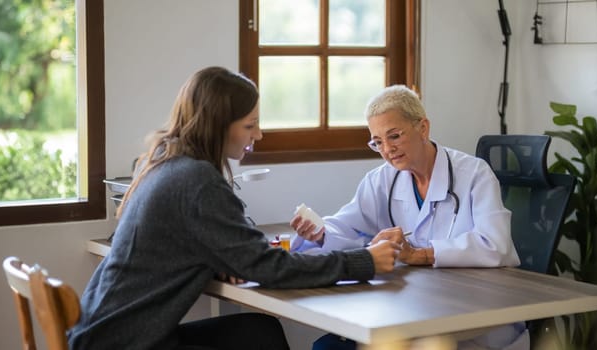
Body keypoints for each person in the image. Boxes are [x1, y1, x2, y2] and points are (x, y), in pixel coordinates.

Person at [67, 67, 401, 350]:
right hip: (125, 343)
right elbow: (270, 268)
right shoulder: (197, 180)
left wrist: (218, 261)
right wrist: (364, 261)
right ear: (218, 124)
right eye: (249, 124)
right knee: (261, 338)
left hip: (104, 333)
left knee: (258, 333)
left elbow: (182, 245)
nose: (259, 133)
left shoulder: (163, 162)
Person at [290, 85, 528, 350]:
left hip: (474, 319)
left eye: (394, 136)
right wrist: (321, 231)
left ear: (423, 128)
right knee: (328, 347)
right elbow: (349, 225)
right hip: (412, 309)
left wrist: (419, 254)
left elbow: (495, 245)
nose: (387, 149)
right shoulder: (382, 179)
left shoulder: (474, 175)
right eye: (377, 142)